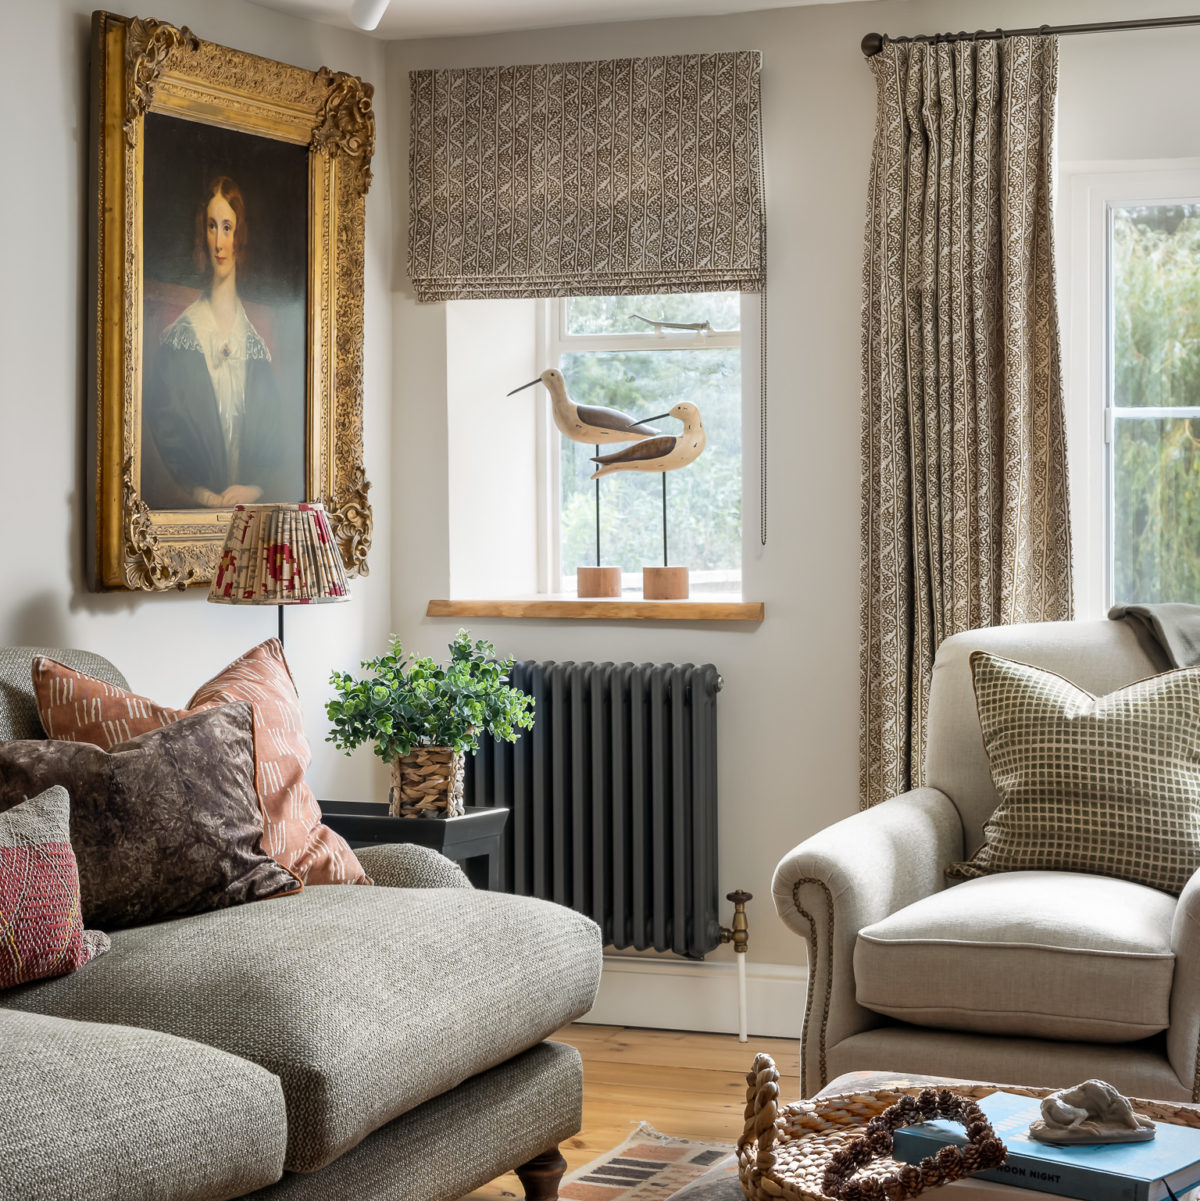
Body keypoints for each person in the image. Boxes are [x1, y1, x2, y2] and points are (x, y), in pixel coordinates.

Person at [143, 176, 295, 509]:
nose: (218, 242)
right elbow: (164, 422)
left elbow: (273, 440)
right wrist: (200, 492)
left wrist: (253, 489)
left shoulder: (254, 346)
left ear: (238, 236)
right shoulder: (181, 339)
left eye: (227, 228)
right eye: (212, 227)